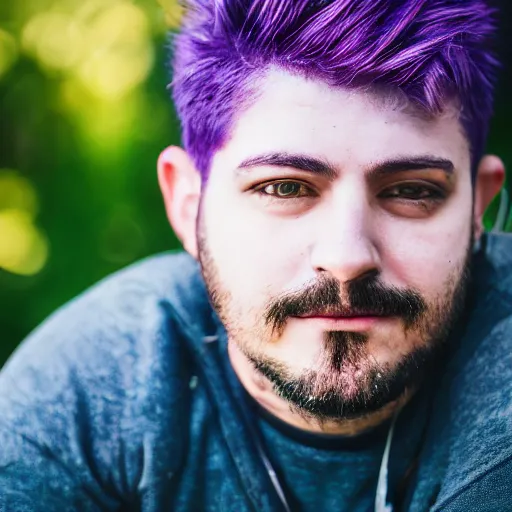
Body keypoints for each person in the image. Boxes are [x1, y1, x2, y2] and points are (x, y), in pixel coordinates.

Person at [1, 0, 511, 510]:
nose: (347, 257)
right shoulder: (78, 401)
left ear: (477, 208)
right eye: (285, 188)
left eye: (412, 191)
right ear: (187, 206)